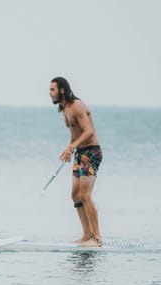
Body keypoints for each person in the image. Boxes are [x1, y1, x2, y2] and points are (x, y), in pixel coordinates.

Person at [49, 77, 103, 247]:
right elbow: (75, 132)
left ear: (62, 90)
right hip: (79, 153)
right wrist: (69, 149)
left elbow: (88, 131)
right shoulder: (65, 110)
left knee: (85, 195)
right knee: (75, 195)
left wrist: (72, 147)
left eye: (52, 90)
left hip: (91, 152)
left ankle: (97, 238)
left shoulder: (77, 106)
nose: (50, 94)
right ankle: (87, 235)